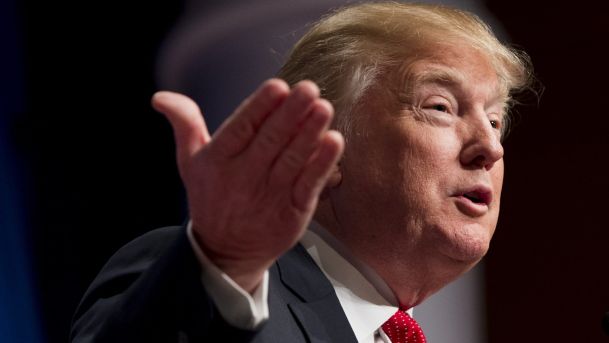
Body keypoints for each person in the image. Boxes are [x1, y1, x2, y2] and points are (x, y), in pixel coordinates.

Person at [71, 2, 532, 342]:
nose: (489, 147)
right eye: (440, 107)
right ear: (324, 152)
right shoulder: (216, 286)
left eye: (495, 121)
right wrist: (219, 262)